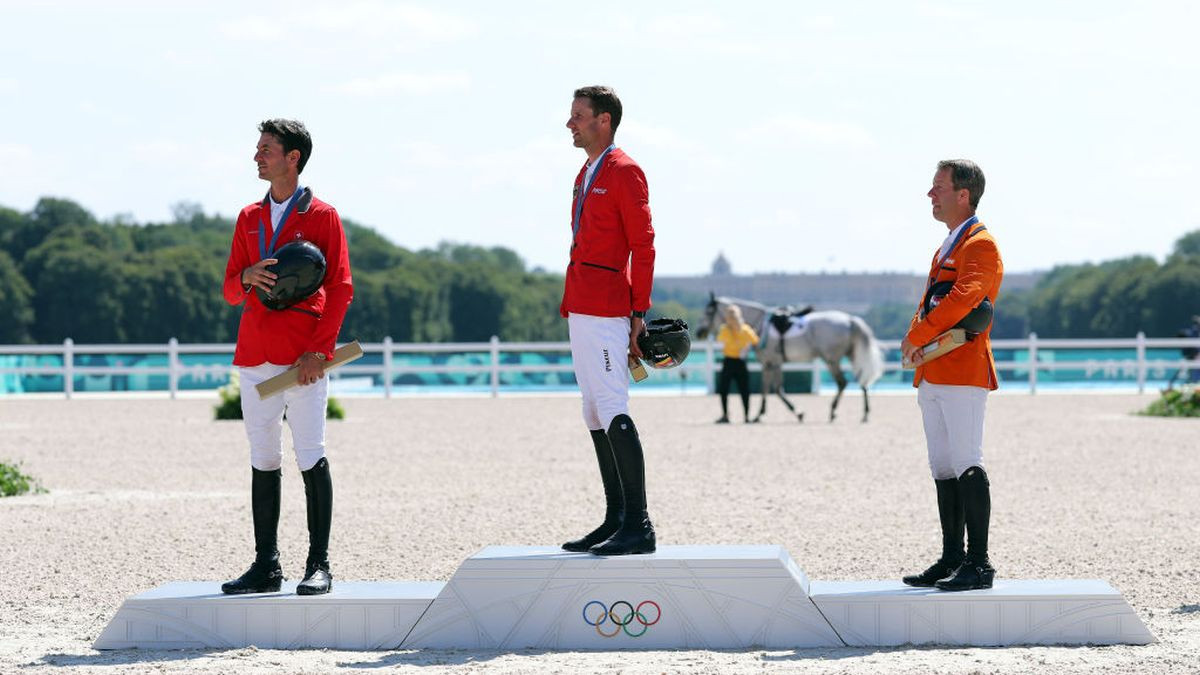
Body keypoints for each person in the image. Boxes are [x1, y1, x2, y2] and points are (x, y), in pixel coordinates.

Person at [220, 119, 353, 595]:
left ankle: (319, 565)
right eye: (257, 148)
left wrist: (319, 350)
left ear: (292, 157)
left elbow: (341, 288)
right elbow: (230, 290)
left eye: (266, 149)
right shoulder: (247, 219)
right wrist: (247, 276)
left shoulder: (323, 215)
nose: (257, 156)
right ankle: (266, 566)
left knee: (311, 453)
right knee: (262, 458)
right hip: (254, 351)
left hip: (304, 360)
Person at [559, 86, 657, 556]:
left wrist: (639, 312)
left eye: (578, 116)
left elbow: (644, 245)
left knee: (614, 405)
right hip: (580, 302)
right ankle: (616, 518)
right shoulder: (584, 172)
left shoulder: (625, 171)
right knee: (594, 412)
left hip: (608, 308)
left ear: (604, 121)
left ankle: (639, 526)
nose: (569, 123)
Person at [900, 159, 1003, 592]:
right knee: (942, 465)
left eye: (938, 186)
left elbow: (963, 300)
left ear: (964, 194)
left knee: (966, 461)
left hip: (962, 369)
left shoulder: (980, 245)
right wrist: (914, 337)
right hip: (935, 369)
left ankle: (979, 564)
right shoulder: (948, 245)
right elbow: (930, 302)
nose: (930, 194)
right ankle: (951, 558)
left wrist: (917, 335)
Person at [715, 305, 758, 423]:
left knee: (724, 390)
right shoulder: (745, 329)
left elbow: (719, 341)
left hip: (729, 361)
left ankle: (725, 415)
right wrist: (744, 346)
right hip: (741, 362)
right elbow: (755, 340)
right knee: (744, 390)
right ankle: (746, 416)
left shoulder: (724, 329)